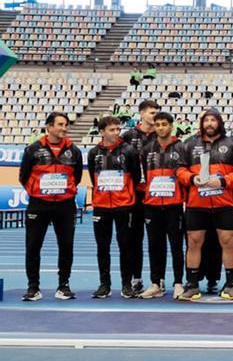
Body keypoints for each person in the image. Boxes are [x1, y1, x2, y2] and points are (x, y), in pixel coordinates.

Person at [177, 108, 233, 301]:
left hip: (224, 203)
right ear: (201, 123)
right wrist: (192, 178)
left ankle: (231, 285)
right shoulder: (189, 144)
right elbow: (179, 169)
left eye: (213, 120)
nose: (209, 123)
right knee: (193, 242)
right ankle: (191, 285)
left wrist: (224, 181)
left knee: (228, 242)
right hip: (196, 203)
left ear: (220, 123)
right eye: (206, 120)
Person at [21, 112, 85, 301]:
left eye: (66, 125)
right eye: (60, 124)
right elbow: (23, 176)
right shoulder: (32, 150)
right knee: (33, 246)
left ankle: (63, 286)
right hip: (38, 205)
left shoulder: (74, 151)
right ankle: (33, 287)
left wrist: (63, 192)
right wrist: (39, 193)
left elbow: (78, 176)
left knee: (66, 246)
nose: (64, 128)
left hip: (65, 205)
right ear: (49, 127)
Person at [87, 116, 142, 299]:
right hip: (101, 206)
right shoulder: (94, 152)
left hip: (124, 206)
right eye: (112, 130)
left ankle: (126, 284)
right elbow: (92, 176)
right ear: (102, 131)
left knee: (125, 246)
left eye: (118, 129)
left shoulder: (129, 151)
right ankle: (105, 284)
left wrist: (126, 195)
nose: (116, 132)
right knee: (102, 247)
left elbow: (135, 176)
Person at [140, 111, 186, 299]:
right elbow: (142, 174)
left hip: (174, 205)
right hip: (152, 205)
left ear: (171, 126)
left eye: (164, 124)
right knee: (154, 246)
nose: (160, 128)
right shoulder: (147, 149)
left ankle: (178, 282)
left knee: (176, 245)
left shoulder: (181, 147)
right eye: (157, 124)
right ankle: (156, 283)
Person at [120, 98, 159, 295]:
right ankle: (136, 278)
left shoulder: (161, 134)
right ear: (142, 114)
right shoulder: (128, 136)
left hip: (157, 194)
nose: (155, 116)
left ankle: (157, 279)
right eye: (152, 112)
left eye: (157, 112)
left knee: (156, 239)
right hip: (134, 195)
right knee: (134, 238)